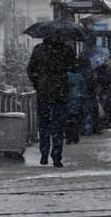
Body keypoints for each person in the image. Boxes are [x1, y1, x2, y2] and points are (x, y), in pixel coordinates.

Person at [27, 34, 77, 167]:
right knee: (58, 125)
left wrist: (37, 83)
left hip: (43, 92)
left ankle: (44, 153)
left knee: (43, 123)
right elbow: (74, 67)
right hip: (60, 92)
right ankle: (56, 156)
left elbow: (30, 69)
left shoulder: (39, 49)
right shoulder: (65, 50)